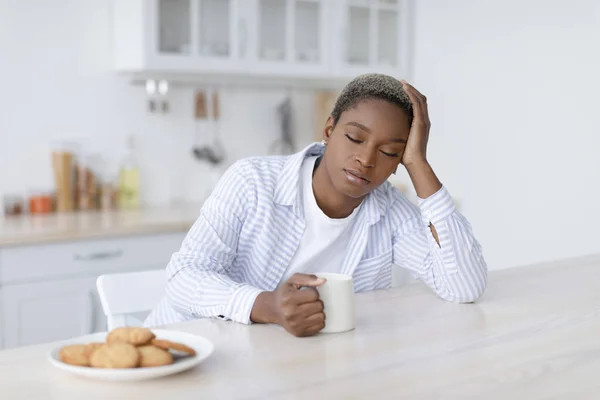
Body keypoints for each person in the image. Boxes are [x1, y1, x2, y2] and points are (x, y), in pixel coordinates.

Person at [145, 74, 487, 337]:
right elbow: (183, 278)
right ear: (329, 129)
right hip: (186, 351)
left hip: (284, 367)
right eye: (355, 138)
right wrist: (267, 305)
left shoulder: (391, 212)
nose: (365, 160)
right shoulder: (252, 182)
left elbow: (464, 287)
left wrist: (419, 165)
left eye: (389, 153)